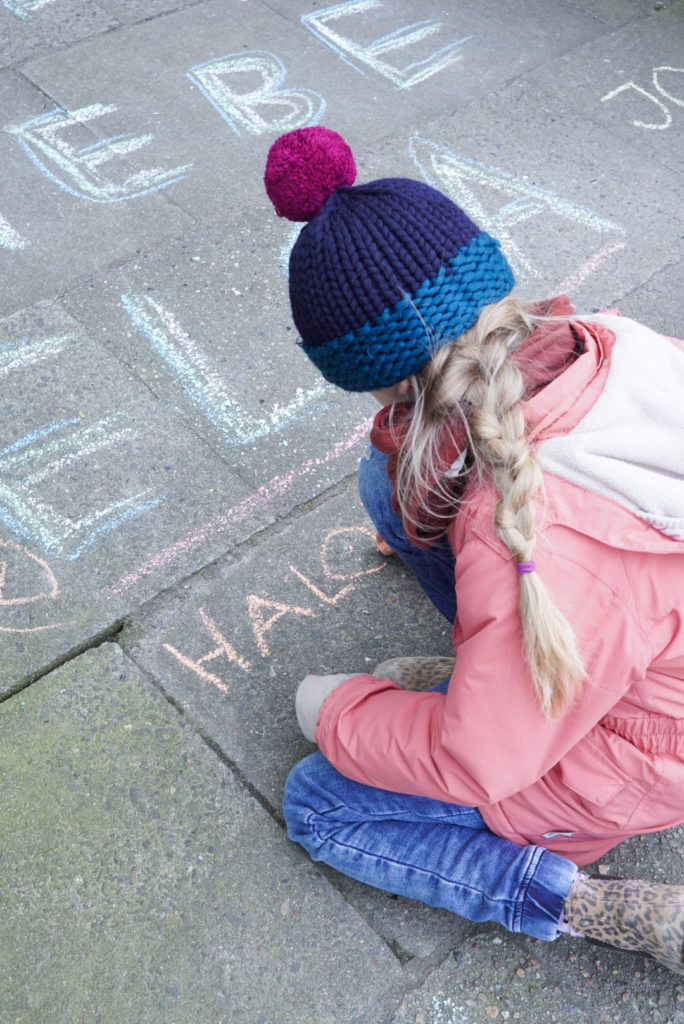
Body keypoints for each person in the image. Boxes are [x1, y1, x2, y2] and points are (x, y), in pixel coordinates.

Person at [263, 126, 684, 973]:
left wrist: (336, 713)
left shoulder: (523, 529)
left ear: (368, 374)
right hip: (627, 645)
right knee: (385, 485)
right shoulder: (605, 339)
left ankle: (593, 903)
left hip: (641, 749)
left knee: (319, 802)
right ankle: (497, 679)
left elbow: (478, 760)